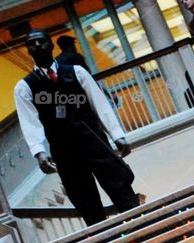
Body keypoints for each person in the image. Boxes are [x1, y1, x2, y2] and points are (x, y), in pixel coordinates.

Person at [14, 30, 140, 225]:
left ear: (51, 45)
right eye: (32, 43)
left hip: (94, 140)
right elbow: (29, 121)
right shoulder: (24, 87)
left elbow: (100, 104)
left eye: (41, 41)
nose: (37, 45)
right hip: (64, 151)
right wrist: (39, 151)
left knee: (120, 187)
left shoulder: (77, 72)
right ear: (28, 50)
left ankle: (142, 229)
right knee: (86, 202)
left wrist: (117, 135)